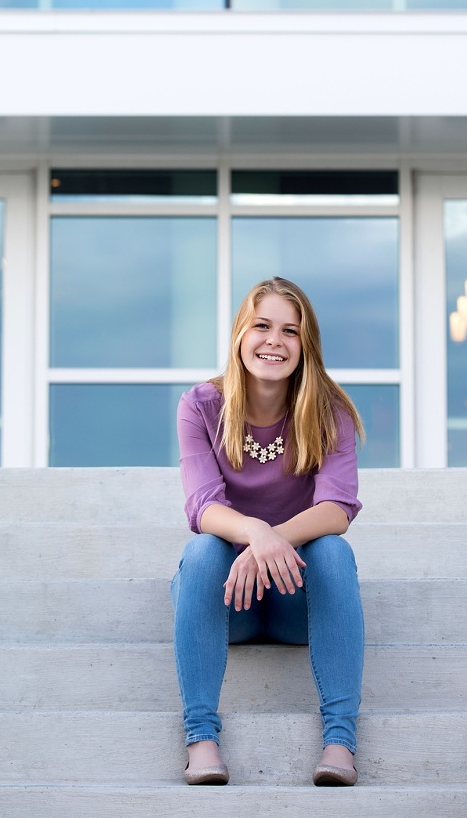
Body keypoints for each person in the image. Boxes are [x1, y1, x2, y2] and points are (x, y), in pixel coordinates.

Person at [171, 276, 365, 787]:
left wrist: (274, 541)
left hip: (292, 598)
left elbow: (338, 507)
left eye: (290, 331)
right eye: (262, 326)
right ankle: (201, 737)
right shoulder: (201, 406)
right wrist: (257, 532)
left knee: (333, 553)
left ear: (306, 345)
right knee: (203, 551)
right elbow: (202, 507)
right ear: (240, 333)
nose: (274, 341)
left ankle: (340, 739)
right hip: (226, 599)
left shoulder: (330, 412)